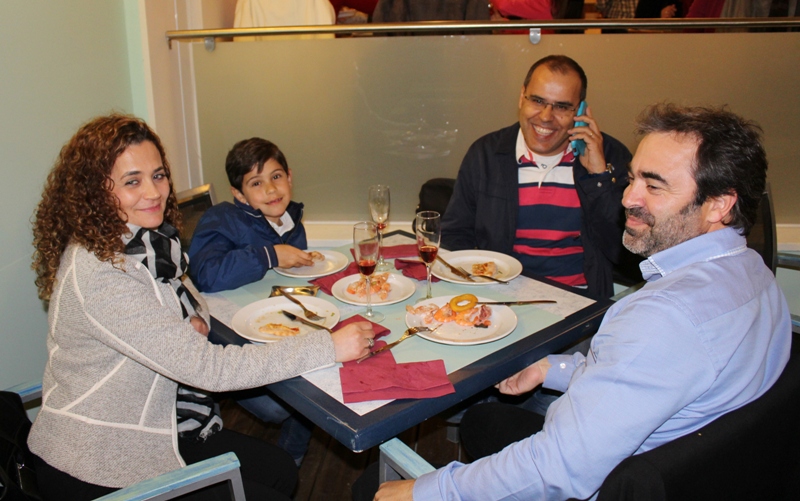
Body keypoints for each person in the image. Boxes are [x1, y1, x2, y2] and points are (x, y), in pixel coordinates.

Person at [374, 104, 792, 500]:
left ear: (719, 205)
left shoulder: (663, 318)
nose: (628, 198)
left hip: (605, 481)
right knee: (485, 421)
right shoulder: (757, 275)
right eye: (632, 178)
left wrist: (426, 491)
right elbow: (648, 375)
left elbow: (557, 469)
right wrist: (550, 368)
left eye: (654, 186)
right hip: (705, 471)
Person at [28, 114, 376, 501]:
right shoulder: (101, 273)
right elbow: (208, 369)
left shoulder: (151, 243)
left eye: (158, 176)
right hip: (101, 459)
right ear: (95, 191)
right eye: (132, 181)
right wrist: (328, 345)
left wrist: (189, 323)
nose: (154, 192)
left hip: (168, 421)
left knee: (278, 470)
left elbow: (192, 307)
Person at [441, 55, 635, 301]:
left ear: (580, 110)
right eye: (537, 100)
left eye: (561, 107)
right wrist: (480, 287)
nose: (545, 116)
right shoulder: (486, 154)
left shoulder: (610, 156)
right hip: (501, 297)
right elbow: (455, 235)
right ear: (522, 97)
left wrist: (599, 178)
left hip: (579, 302)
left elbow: (625, 252)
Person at [189, 138, 314, 293]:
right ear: (239, 194)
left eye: (276, 176)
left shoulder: (291, 219)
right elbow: (205, 276)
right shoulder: (223, 220)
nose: (271, 189)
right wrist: (269, 256)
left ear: (288, 178)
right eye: (256, 183)